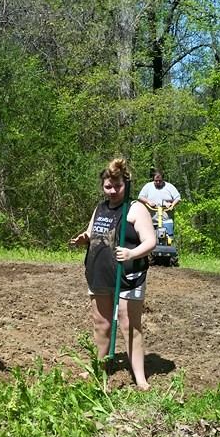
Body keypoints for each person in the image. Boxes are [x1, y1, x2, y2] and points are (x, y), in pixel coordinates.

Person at [69, 158, 157, 390]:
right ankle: (99, 368)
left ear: (126, 183)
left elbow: (150, 241)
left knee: (130, 326)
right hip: (99, 274)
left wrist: (131, 253)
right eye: (108, 186)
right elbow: (92, 232)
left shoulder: (136, 208)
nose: (113, 191)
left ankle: (139, 377)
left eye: (117, 186)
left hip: (127, 277)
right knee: (101, 323)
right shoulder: (100, 208)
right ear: (103, 186)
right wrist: (83, 239)